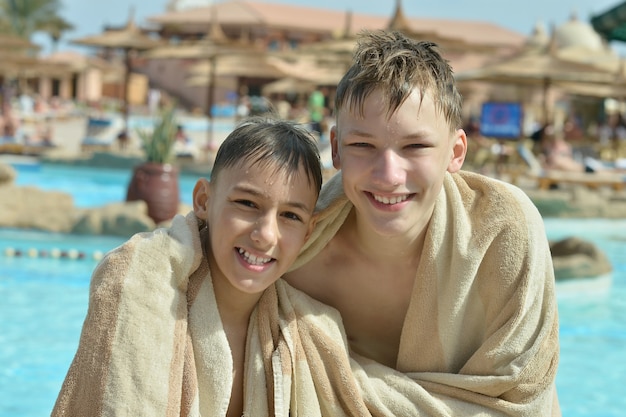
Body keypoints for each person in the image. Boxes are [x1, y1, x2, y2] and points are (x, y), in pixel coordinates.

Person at [285, 29, 561, 415]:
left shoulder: (501, 234)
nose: (388, 175)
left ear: (456, 151)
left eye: (415, 146)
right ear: (335, 149)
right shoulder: (296, 250)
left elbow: (520, 396)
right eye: (363, 145)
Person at [51, 117, 372, 416]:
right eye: (247, 204)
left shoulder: (309, 333)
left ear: (308, 232)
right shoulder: (141, 285)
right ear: (203, 201)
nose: (265, 234)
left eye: (290, 216)